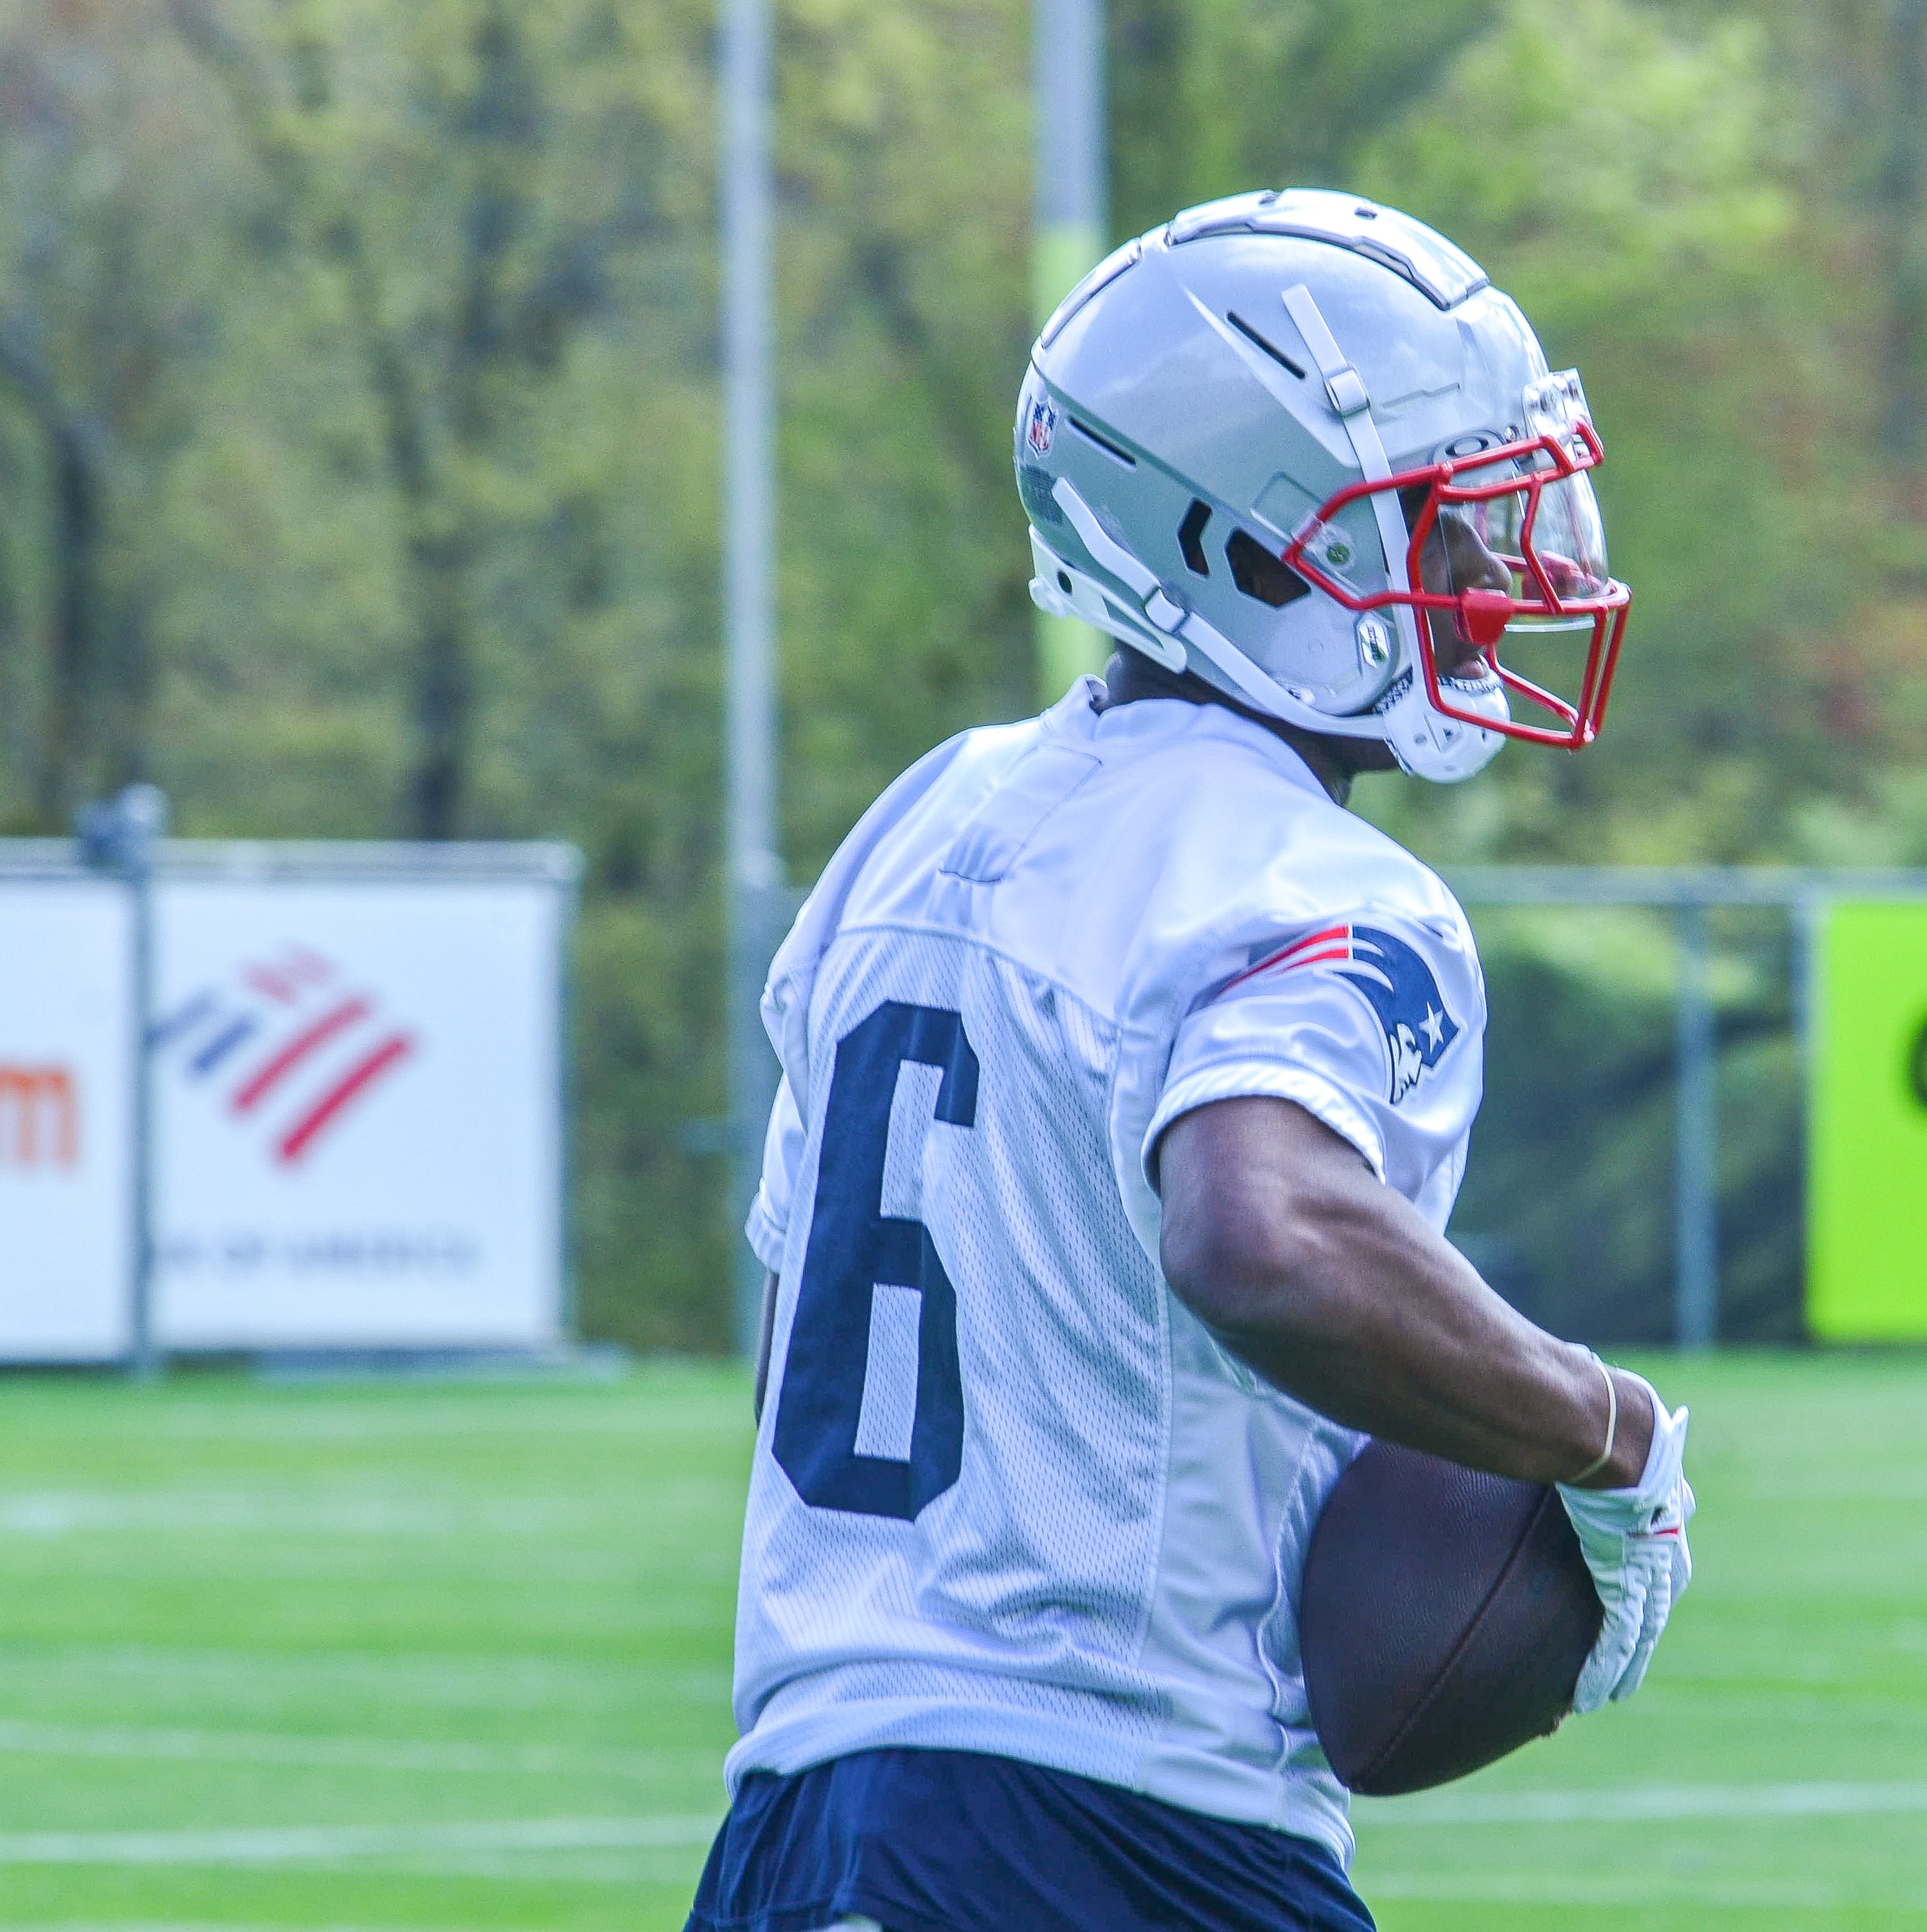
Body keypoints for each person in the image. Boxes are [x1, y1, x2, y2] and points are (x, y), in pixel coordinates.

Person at [685, 188, 1696, 1932]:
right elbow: (1262, 1234)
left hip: (798, 1818)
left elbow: (796, 1328)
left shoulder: (923, 822)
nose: (1492, 582)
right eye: (1440, 529)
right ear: (1246, 550)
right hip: (1116, 1826)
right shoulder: (1305, 877)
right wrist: (1599, 1435)